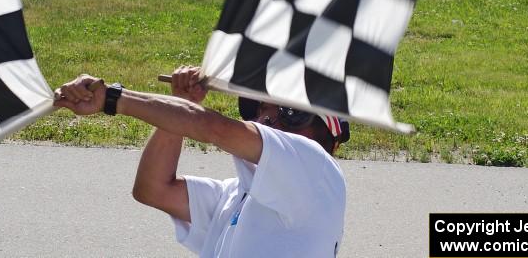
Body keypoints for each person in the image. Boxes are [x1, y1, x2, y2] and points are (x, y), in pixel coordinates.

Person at [54, 65, 349, 257]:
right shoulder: (238, 194)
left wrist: (113, 98)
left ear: (329, 138)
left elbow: (213, 128)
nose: (267, 121)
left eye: (290, 114)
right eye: (261, 111)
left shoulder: (317, 171)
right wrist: (184, 107)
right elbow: (153, 189)